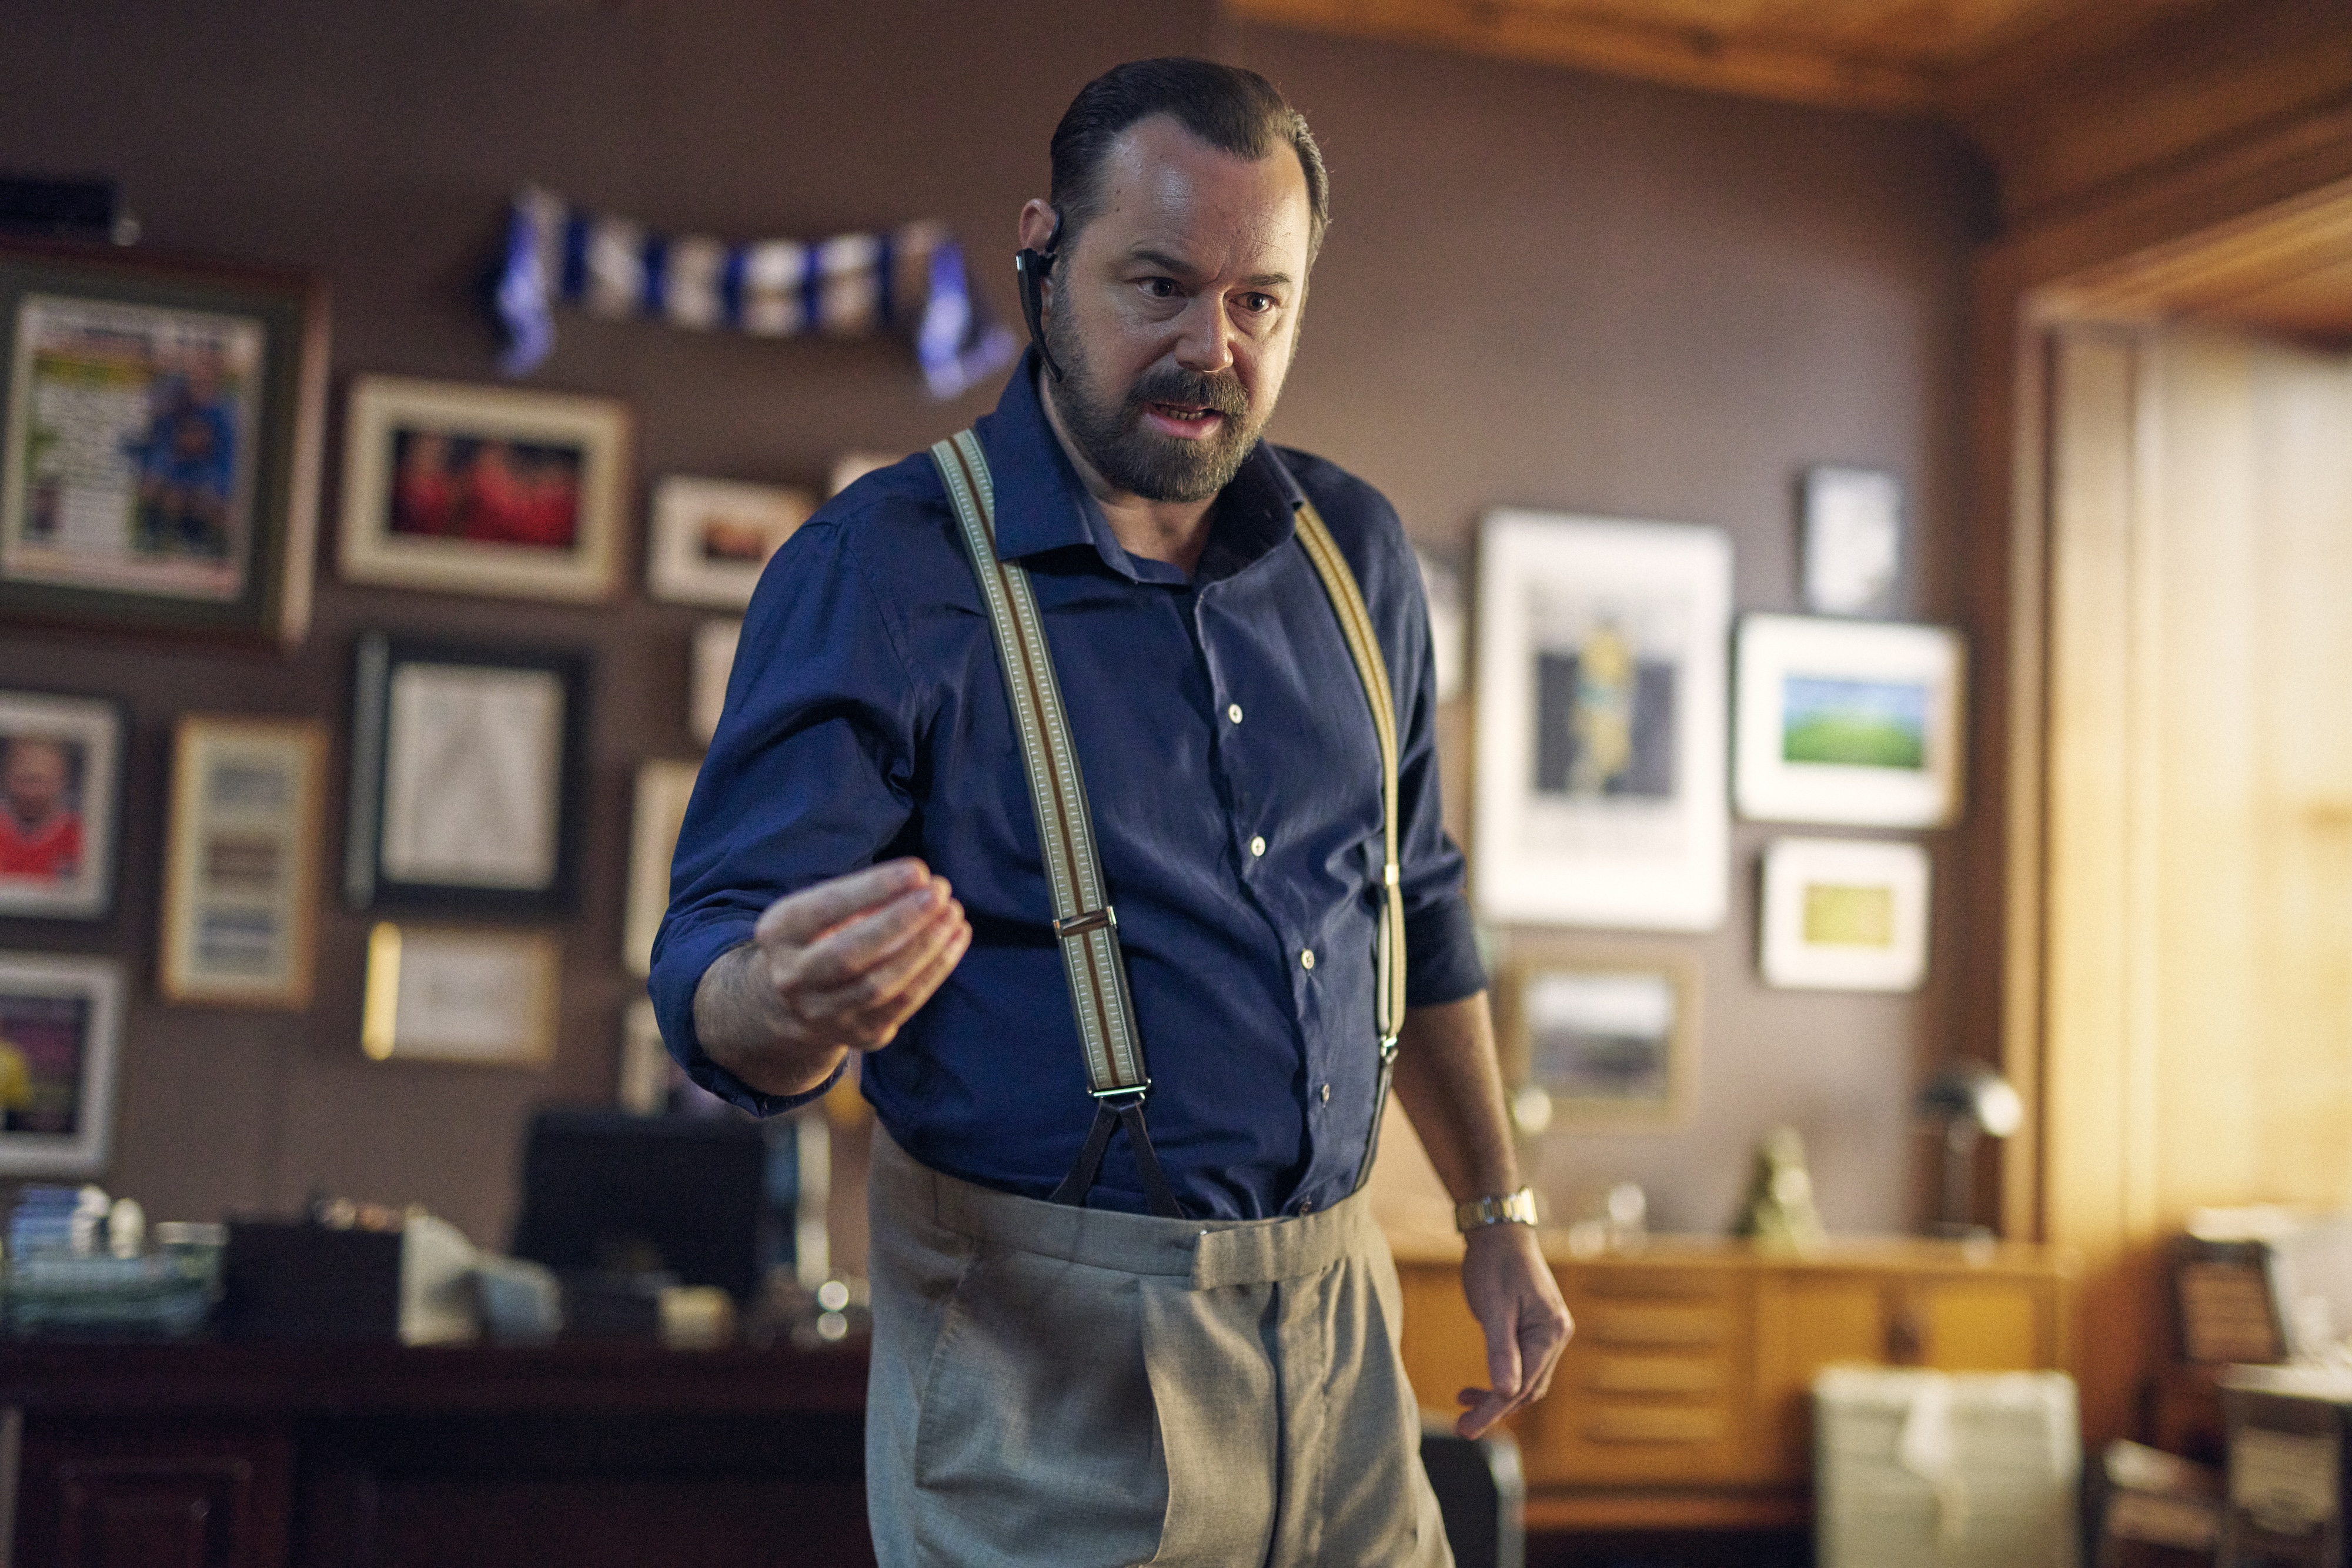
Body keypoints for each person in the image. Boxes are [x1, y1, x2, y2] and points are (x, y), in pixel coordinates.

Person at [653, 58, 1570, 1567]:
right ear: (1041, 250)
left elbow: (1420, 897)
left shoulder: (1357, 552)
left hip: (1344, 1337)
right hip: (1040, 1363)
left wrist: (1494, 1208)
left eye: (1258, 302)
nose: (1210, 346)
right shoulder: (883, 567)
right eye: (1156, 283)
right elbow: (710, 979)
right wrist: (789, 1000)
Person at [0, 736, 82, 883]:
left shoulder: (80, 835)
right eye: (24, 779)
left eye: (41, 781)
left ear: (61, 780)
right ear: (6, 777)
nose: (32, 792)